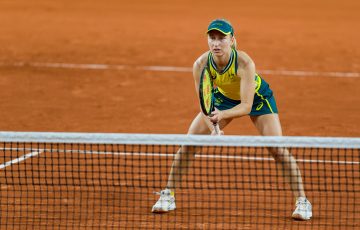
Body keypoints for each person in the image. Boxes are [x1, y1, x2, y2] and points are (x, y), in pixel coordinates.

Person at [151, 18, 312, 221]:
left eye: (222, 38)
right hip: (224, 99)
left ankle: (303, 201)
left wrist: (222, 116)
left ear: (232, 41)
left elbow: (246, 106)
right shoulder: (201, 65)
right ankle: (168, 195)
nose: (216, 43)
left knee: (278, 150)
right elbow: (204, 102)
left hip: (258, 99)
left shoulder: (244, 62)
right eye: (212, 38)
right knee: (189, 144)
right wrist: (213, 128)